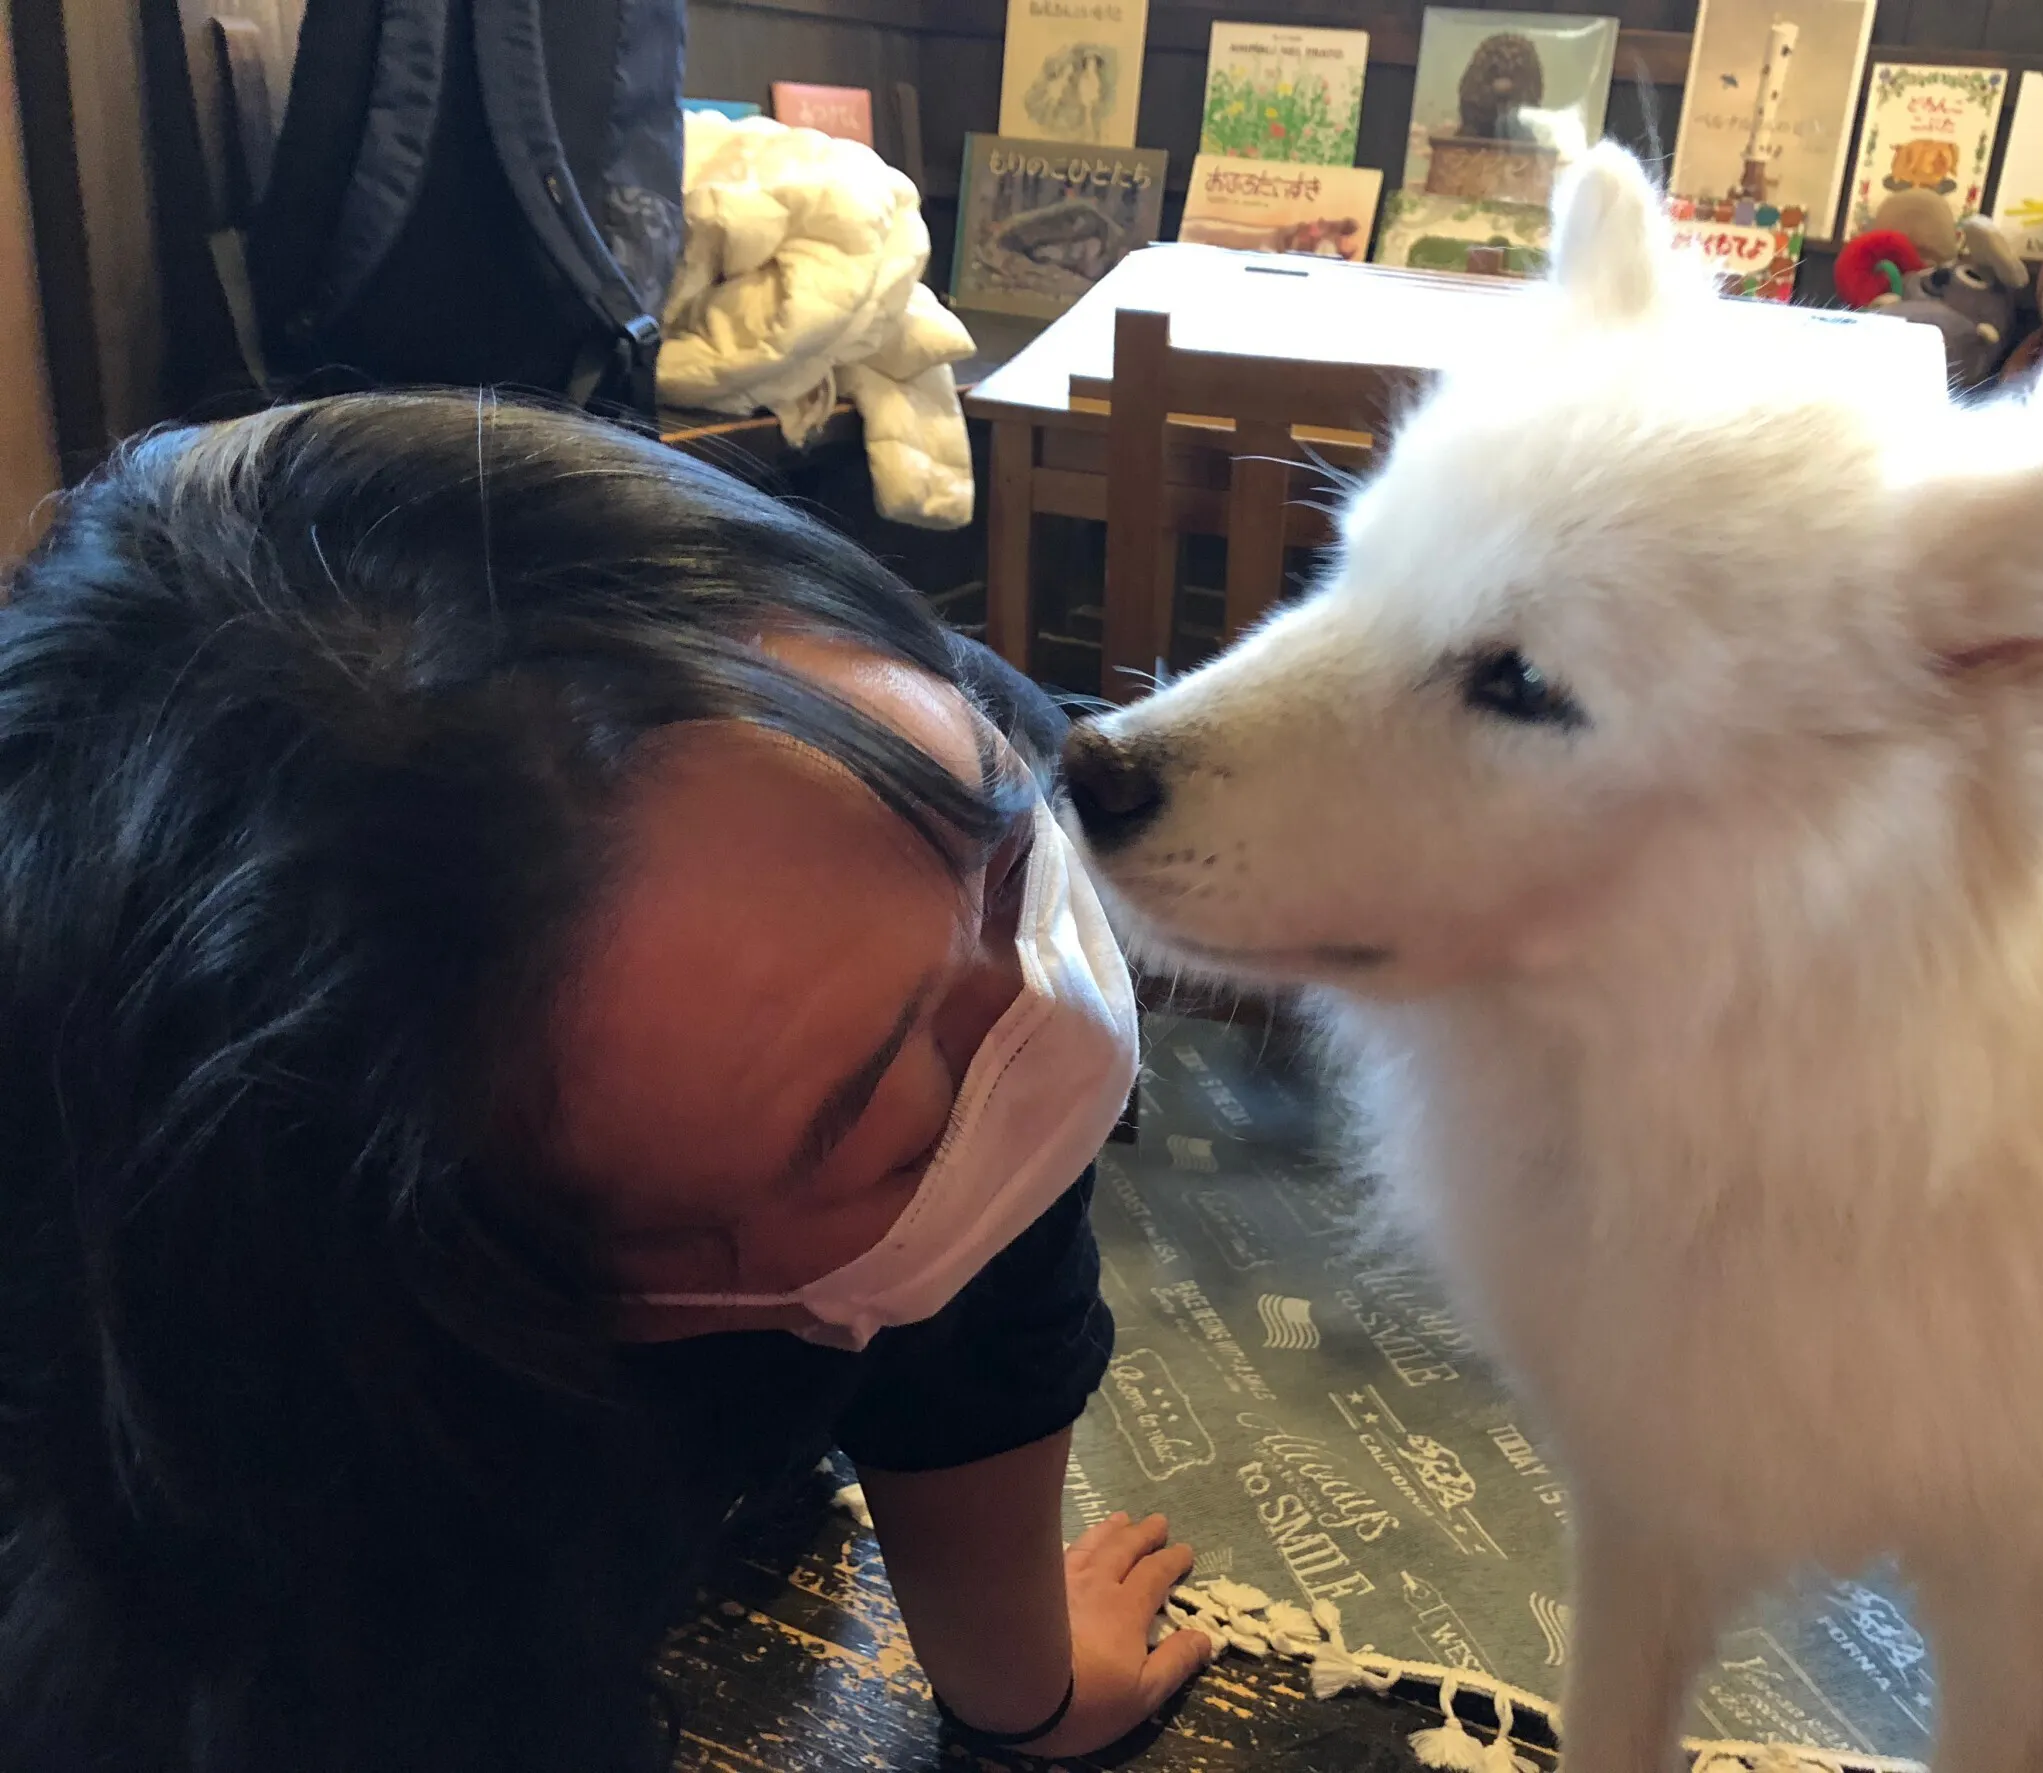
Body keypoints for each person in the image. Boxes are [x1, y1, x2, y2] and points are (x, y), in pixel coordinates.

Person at [0, 393, 1214, 1771]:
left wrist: (1029, 1697)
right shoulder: (259, 1576)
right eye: (898, 1116)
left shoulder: (885, 794)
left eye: (1003, 855)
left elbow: (987, 1324)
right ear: (525, 1292)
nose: (1048, 1002)